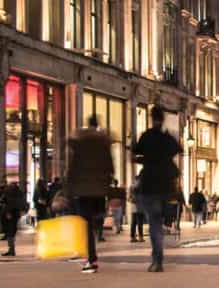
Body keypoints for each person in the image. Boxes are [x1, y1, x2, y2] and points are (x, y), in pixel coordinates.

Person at [130, 107, 181, 272]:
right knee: (159, 221)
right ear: (163, 119)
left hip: (150, 184)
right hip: (166, 185)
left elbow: (136, 154)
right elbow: (177, 149)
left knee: (154, 224)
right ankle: (158, 257)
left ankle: (157, 260)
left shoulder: (147, 136)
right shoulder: (167, 139)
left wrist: (142, 159)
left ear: (152, 119)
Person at [64, 115, 118, 274]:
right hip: (99, 190)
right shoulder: (103, 142)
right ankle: (96, 232)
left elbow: (73, 167)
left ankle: (92, 258)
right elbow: (110, 167)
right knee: (95, 221)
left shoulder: (80, 142)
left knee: (86, 225)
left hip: (83, 191)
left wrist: (67, 190)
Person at [0, 177, 31, 257]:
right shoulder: (19, 192)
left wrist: (7, 212)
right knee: (12, 231)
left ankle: (11, 250)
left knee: (10, 232)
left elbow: (6, 202)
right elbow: (22, 203)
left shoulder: (8, 192)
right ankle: (11, 249)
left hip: (10, 213)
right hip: (16, 213)